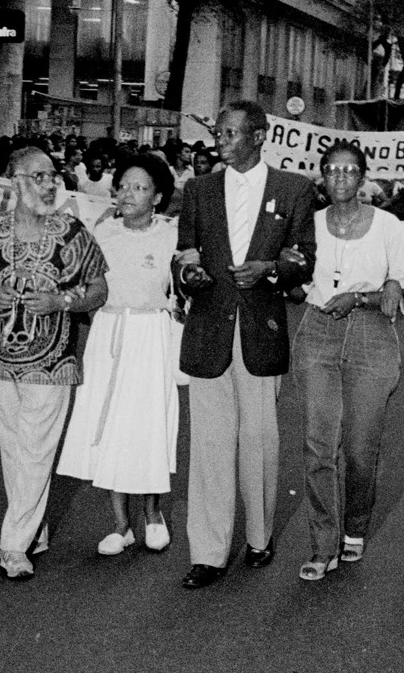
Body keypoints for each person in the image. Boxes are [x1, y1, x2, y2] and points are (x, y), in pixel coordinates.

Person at [172, 101, 317, 589]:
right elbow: (185, 251)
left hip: (260, 329)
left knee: (258, 439)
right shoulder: (198, 189)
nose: (221, 141)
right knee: (210, 444)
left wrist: (270, 270)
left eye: (231, 133)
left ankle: (259, 536)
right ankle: (209, 553)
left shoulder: (293, 190)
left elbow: (302, 258)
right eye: (218, 132)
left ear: (259, 136)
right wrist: (189, 272)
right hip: (209, 327)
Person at [0, 146, 109, 580]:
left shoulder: (72, 232)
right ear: (14, 182)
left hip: (52, 365)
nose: (49, 185)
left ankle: (13, 544)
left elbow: (99, 289)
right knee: (15, 451)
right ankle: (35, 528)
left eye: (52, 177)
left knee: (35, 451)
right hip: (1, 361)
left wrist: (61, 300)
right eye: (38, 177)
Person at [288, 142, 404, 581]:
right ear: (322, 175)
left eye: (350, 170)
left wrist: (366, 295)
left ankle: (354, 527)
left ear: (363, 178)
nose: (340, 177)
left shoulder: (390, 226)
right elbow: (291, 273)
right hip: (318, 330)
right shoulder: (308, 224)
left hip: (370, 333)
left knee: (361, 449)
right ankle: (323, 544)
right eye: (332, 170)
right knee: (319, 444)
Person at [58, 154, 181, 557]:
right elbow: (82, 282)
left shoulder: (171, 235)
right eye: (124, 185)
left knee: (147, 426)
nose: (129, 193)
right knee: (108, 424)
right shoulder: (102, 232)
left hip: (150, 334)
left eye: (140, 187)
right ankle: (121, 525)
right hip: (109, 332)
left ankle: (153, 516)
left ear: (158, 197)